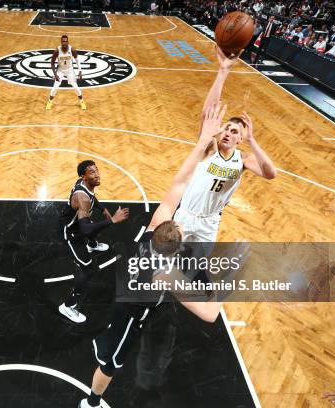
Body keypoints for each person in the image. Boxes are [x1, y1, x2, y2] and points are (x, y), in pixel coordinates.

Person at [78, 102, 231, 408]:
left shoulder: (150, 233)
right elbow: (210, 315)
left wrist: (203, 142)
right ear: (174, 250)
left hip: (127, 291)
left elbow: (178, 184)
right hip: (132, 315)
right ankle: (91, 402)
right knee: (111, 365)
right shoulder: (167, 274)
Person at [173, 46, 277, 243]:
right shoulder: (210, 149)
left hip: (210, 222)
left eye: (234, 131)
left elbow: (271, 174)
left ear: (240, 138)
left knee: (195, 268)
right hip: (186, 216)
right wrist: (223, 71)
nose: (228, 133)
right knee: (167, 263)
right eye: (226, 128)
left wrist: (252, 141)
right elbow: (208, 113)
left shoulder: (244, 159)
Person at [57, 160, 129, 323]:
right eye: (92, 172)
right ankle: (68, 306)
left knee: (91, 222)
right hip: (72, 234)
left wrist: (102, 209)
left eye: (97, 170)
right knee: (88, 271)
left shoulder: (84, 185)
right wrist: (112, 221)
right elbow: (84, 230)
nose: (97, 175)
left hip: (76, 223)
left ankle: (92, 245)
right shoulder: (82, 199)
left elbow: (92, 198)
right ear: (84, 176)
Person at [46, 35, 87, 111]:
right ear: (61, 42)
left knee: (75, 86)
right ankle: (49, 102)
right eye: (63, 41)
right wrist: (55, 74)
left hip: (70, 70)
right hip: (60, 70)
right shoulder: (57, 51)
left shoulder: (72, 50)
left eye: (66, 41)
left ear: (68, 42)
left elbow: (77, 60)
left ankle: (82, 102)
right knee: (55, 86)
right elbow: (52, 63)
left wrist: (80, 71)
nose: (64, 43)